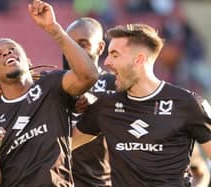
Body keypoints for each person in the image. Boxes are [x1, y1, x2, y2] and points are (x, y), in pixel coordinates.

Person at [0, 1, 99, 187]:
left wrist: (53, 28)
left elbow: (89, 76)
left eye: (13, 49)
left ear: (28, 61)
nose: (7, 52)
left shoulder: (52, 85)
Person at [73, 23, 211, 186]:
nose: (107, 62)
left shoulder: (188, 103)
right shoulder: (105, 105)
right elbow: (64, 145)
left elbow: (202, 170)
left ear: (139, 59)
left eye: (115, 55)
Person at [63, 17, 116, 187]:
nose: (75, 50)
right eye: (70, 43)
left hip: (98, 182)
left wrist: (95, 102)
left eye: (83, 44)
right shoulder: (50, 84)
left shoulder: (115, 84)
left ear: (100, 47)